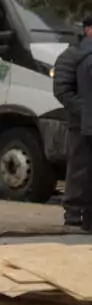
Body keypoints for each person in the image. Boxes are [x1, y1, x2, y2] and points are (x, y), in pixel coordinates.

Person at [57, 15, 92, 232]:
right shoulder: (72, 55)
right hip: (80, 123)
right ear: (87, 29)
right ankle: (73, 211)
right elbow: (62, 89)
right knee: (79, 166)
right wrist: (84, 109)